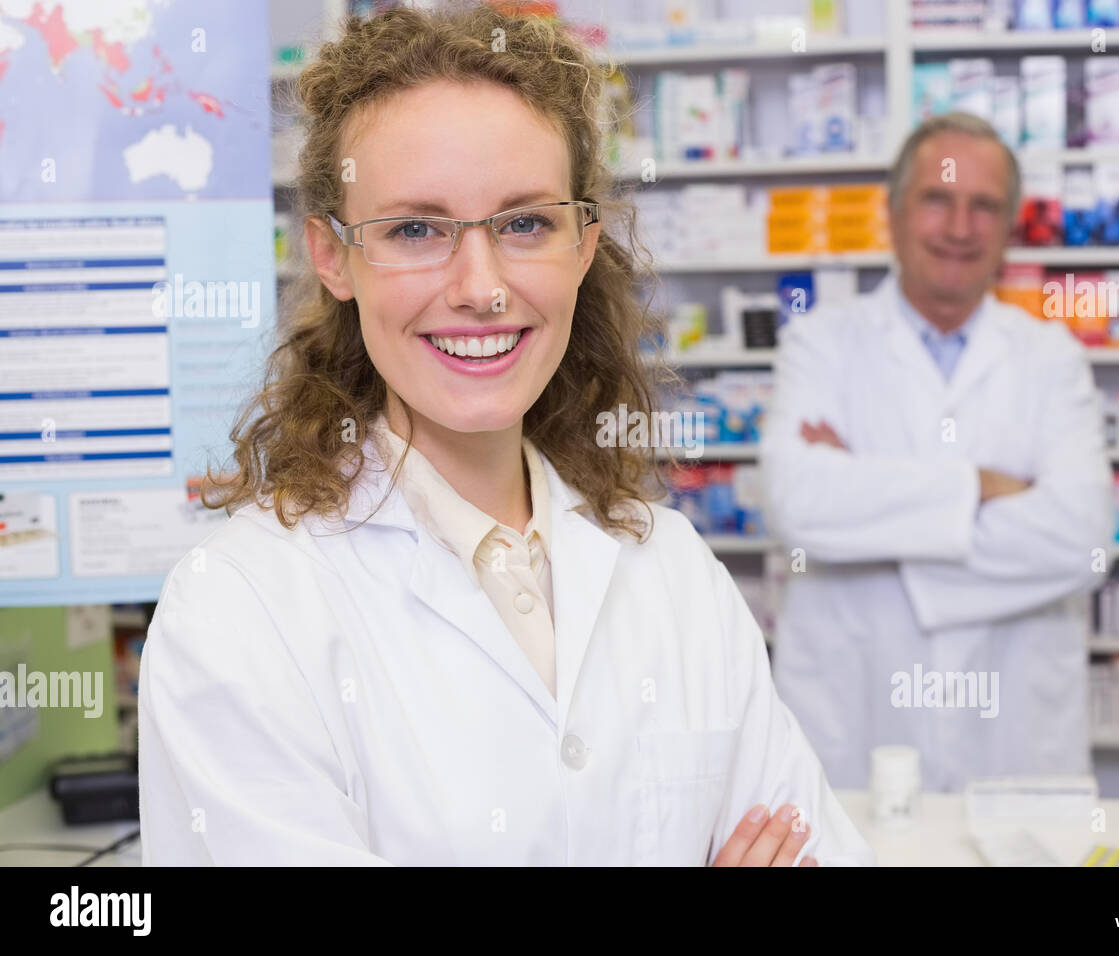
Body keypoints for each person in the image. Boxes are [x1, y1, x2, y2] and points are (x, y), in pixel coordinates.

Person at [136, 4, 870, 867]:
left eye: (525, 223)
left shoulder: (671, 571)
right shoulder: (240, 610)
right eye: (416, 229)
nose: (481, 288)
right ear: (332, 256)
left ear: (584, 244)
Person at [760, 113, 1113, 792]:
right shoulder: (821, 343)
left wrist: (875, 511)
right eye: (937, 199)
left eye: (984, 206)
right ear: (892, 214)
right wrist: (983, 484)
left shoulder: (1051, 359)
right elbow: (798, 506)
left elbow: (1081, 539)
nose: (960, 227)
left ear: (1009, 227)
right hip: (854, 738)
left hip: (1013, 746)